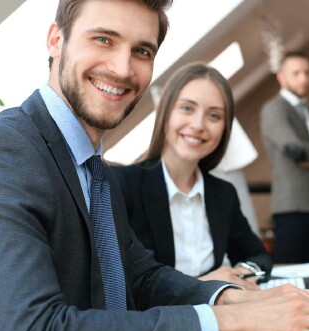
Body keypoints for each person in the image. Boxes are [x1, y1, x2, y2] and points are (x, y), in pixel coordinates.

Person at [0, 1, 309, 331]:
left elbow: (140, 276)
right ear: (56, 39)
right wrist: (228, 319)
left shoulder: (93, 168)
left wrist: (241, 298)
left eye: (142, 51)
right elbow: (37, 329)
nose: (122, 68)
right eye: (103, 39)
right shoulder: (2, 151)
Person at [112, 63, 270, 290]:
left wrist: (243, 273)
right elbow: (125, 286)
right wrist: (206, 285)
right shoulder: (123, 184)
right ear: (166, 113)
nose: (198, 125)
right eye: (187, 108)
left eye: (214, 116)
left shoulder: (222, 194)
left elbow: (257, 256)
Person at [260, 51, 309, 264]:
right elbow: (293, 148)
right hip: (292, 204)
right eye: (296, 73)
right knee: (289, 269)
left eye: (307, 73)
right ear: (281, 77)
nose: (303, 78)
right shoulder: (274, 109)